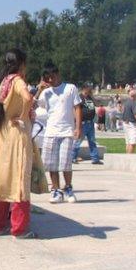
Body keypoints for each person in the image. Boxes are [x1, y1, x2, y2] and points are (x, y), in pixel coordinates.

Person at [0, 48, 37, 239]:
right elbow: (28, 97)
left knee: (1, 180)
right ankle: (19, 228)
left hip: (2, 133)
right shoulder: (17, 80)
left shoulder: (1, 81)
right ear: (21, 63)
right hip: (16, 134)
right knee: (19, 180)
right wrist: (23, 116)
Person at [36, 63, 82, 203]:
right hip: (51, 131)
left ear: (58, 74)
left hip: (66, 131)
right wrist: (39, 90)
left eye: (52, 77)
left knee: (66, 163)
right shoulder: (46, 92)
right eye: (47, 78)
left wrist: (78, 127)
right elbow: (33, 105)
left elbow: (77, 107)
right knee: (52, 164)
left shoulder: (70, 88)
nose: (51, 80)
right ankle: (56, 190)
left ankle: (68, 188)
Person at [72, 83, 101, 164]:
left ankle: (95, 158)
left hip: (90, 123)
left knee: (92, 141)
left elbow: (97, 104)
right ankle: (72, 157)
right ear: (84, 89)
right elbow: (76, 109)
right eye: (88, 89)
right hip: (83, 123)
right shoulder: (79, 97)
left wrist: (92, 96)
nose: (90, 90)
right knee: (78, 141)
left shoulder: (90, 97)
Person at [121, 88, 136, 154]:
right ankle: (129, 158)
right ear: (135, 96)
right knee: (133, 143)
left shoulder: (126, 102)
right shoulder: (134, 103)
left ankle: (127, 157)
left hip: (125, 123)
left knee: (128, 142)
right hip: (132, 124)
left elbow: (123, 111)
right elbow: (135, 114)